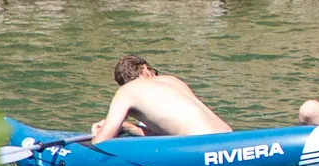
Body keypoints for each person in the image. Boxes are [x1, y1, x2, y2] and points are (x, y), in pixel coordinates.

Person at [90, 55, 232, 142]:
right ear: (145, 69)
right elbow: (174, 132)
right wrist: (129, 127)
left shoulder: (126, 91)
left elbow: (102, 141)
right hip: (229, 139)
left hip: (200, 145)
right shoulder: (173, 80)